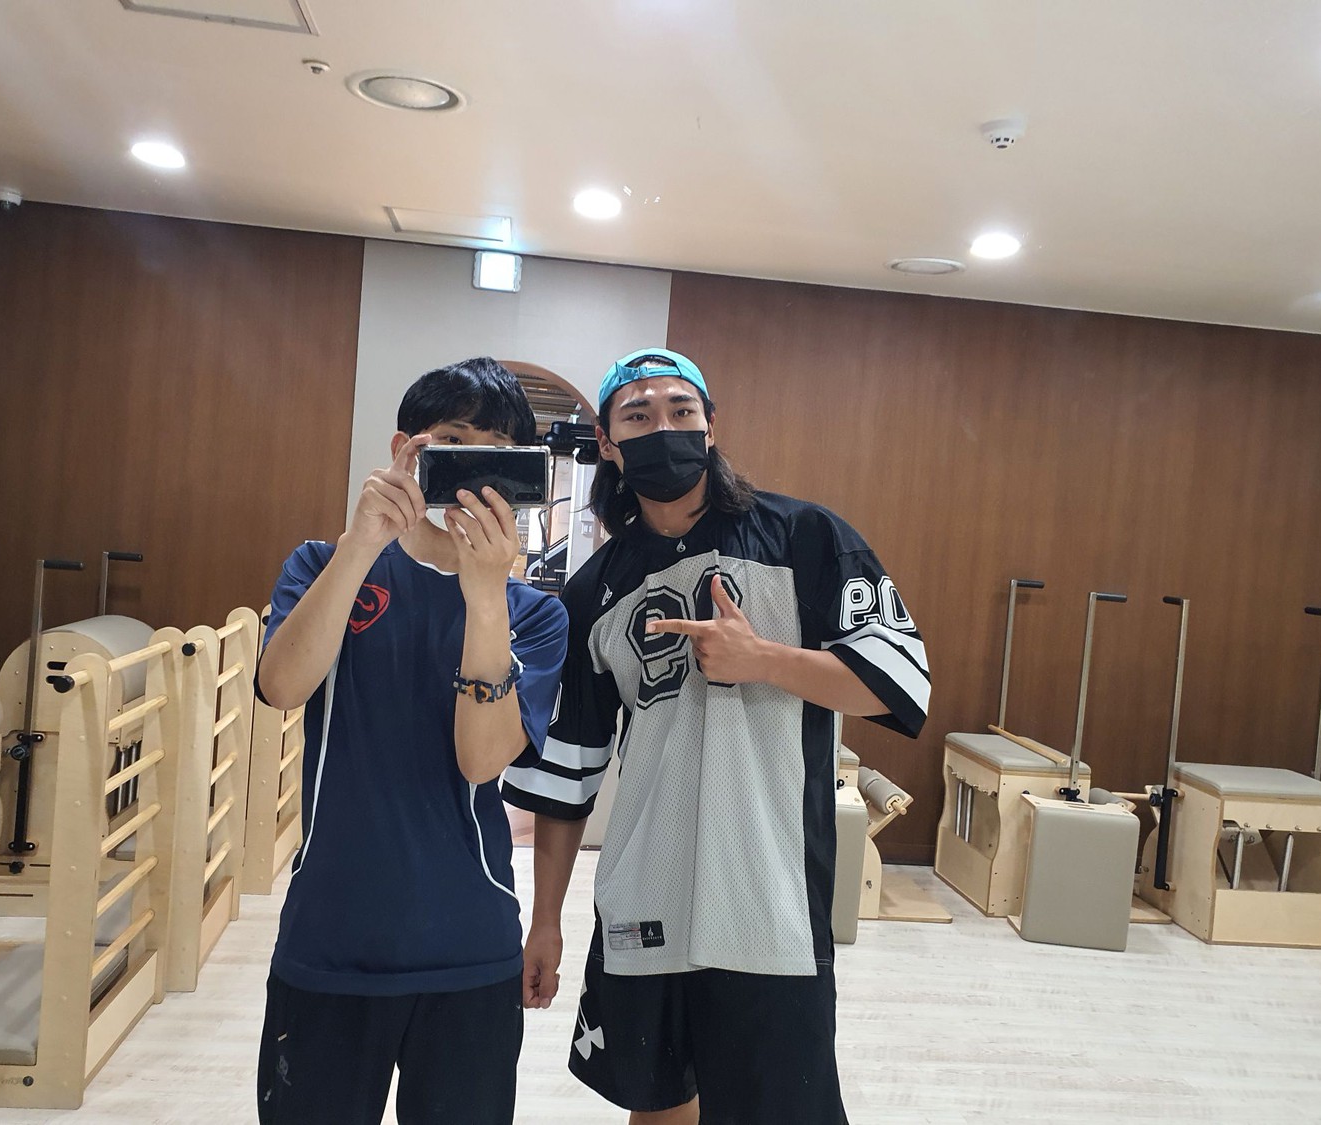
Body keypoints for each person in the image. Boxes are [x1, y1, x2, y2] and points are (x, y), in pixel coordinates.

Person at [503, 348, 931, 1124]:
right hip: (644, 895)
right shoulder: (595, 589)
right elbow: (567, 779)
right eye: (638, 415)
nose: (662, 426)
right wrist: (546, 922)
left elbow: (900, 685)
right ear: (607, 441)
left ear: (710, 425)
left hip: (769, 901)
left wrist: (763, 659)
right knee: (657, 1107)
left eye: (681, 409)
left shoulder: (804, 538)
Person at [254, 356, 567, 1124]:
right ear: (406, 450)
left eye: (496, 455)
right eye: (451, 443)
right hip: (330, 937)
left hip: (469, 947)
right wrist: (362, 544)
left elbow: (481, 759)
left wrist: (486, 595)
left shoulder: (535, 614)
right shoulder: (323, 565)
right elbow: (281, 686)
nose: (471, 471)